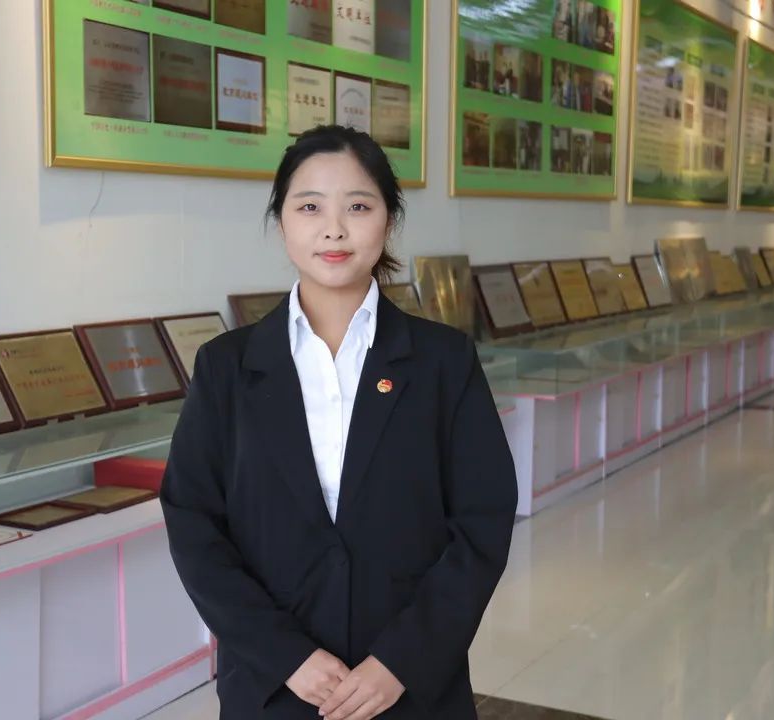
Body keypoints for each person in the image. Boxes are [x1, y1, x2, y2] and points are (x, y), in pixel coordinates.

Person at [160, 125, 517, 720]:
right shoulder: (226, 366)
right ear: (281, 222)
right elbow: (193, 523)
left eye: (358, 206)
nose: (334, 229)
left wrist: (401, 662)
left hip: (411, 690)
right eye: (309, 207)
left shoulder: (443, 360)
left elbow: (483, 521)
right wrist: (286, 656)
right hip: (275, 689)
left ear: (388, 221)